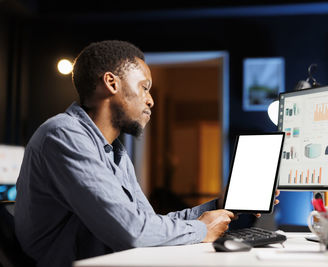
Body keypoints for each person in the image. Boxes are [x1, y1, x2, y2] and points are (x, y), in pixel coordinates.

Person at [14, 40, 278, 267]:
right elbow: (132, 232)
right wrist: (202, 229)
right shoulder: (63, 134)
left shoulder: (115, 152)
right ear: (111, 83)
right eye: (144, 87)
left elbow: (147, 224)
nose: (151, 100)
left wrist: (221, 205)